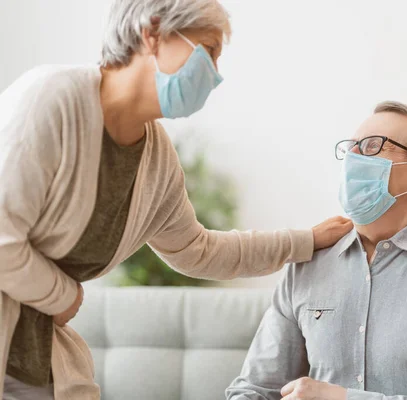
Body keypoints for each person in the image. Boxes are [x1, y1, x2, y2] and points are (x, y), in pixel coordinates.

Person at [0, 0, 352, 398]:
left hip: (37, 359)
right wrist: (63, 295)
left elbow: (198, 250)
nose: (215, 75)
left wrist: (304, 241)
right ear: (152, 35)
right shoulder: (50, 98)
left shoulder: (156, 159)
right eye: (209, 50)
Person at [226, 101, 407, 400]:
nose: (353, 157)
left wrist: (343, 398)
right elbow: (254, 388)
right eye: (351, 147)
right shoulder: (308, 263)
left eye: (372, 146)